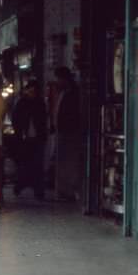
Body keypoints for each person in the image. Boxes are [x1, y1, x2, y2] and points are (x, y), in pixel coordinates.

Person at [11, 78, 48, 200]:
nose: (31, 93)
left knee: (37, 164)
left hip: (37, 138)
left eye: (34, 91)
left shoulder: (39, 103)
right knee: (25, 163)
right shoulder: (22, 103)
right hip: (25, 138)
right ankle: (21, 185)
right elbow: (16, 119)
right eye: (30, 90)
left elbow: (43, 121)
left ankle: (38, 190)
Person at [53, 66, 82, 202]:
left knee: (69, 162)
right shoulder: (63, 92)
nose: (57, 81)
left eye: (58, 78)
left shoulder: (73, 93)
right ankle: (64, 190)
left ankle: (70, 190)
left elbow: (72, 113)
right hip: (63, 130)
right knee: (63, 161)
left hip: (70, 131)